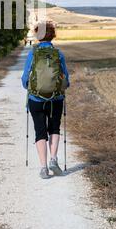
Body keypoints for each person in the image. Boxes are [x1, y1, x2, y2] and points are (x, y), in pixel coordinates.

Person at [21, 21, 70, 179]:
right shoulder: (58, 53)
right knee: (54, 128)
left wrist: (30, 88)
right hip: (56, 98)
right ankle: (53, 160)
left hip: (36, 98)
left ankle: (43, 168)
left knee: (40, 131)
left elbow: (24, 78)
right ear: (52, 35)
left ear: (38, 35)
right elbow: (66, 79)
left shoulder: (33, 53)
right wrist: (62, 88)